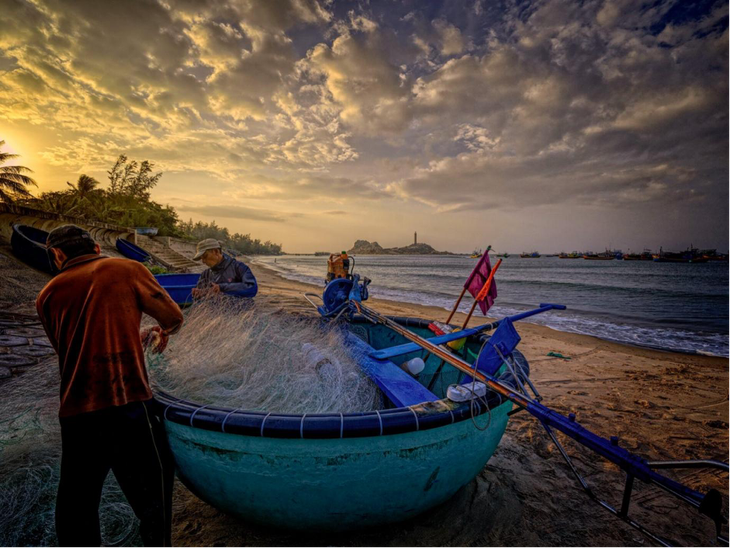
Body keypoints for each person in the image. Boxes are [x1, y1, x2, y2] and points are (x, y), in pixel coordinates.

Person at [35, 225, 184, 548]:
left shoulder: (46, 295)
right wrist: (160, 331)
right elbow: (173, 317)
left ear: (58, 255)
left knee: (77, 503)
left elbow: (75, 349)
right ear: (97, 248)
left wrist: (135, 335)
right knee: (153, 497)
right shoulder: (126, 268)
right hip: (128, 403)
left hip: (76, 413)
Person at [191, 238, 257, 299]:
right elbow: (198, 293)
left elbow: (251, 288)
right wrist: (197, 294)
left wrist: (221, 288)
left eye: (205, 256)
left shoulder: (238, 267)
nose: (203, 261)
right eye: (201, 258)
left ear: (216, 251)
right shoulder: (205, 274)